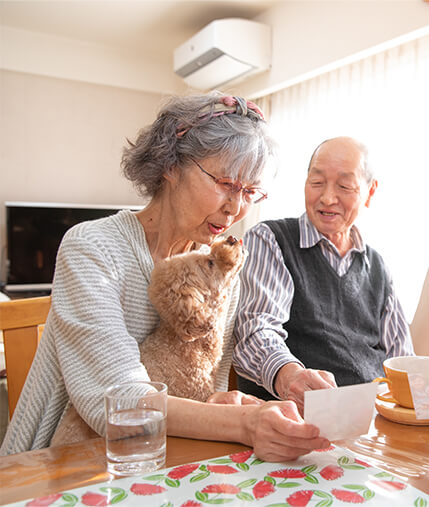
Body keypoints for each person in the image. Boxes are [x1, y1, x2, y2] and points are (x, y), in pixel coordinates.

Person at [1, 94, 329, 461]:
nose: (236, 208)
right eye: (225, 183)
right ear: (170, 164)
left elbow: (203, 381)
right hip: (60, 464)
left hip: (161, 456)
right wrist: (243, 422)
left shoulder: (217, 268)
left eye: (250, 192)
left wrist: (221, 402)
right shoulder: (91, 247)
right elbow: (119, 403)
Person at [233, 136, 414, 411]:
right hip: (297, 419)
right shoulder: (270, 239)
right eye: (316, 183)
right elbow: (256, 329)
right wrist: (288, 375)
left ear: (370, 192)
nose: (328, 198)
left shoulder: (377, 265)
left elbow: (402, 361)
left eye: (344, 186)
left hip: (371, 420)